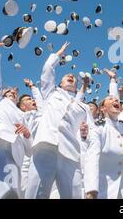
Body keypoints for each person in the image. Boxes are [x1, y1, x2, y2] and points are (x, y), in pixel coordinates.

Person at [25, 42, 90, 199]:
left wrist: (83, 88)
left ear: (76, 87)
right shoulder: (50, 94)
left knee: (74, 195)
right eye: (67, 77)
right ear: (59, 83)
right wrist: (58, 53)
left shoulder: (80, 105)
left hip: (71, 153)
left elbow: (77, 107)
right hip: (46, 147)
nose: (71, 77)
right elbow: (48, 68)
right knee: (36, 194)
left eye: (73, 78)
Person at [0, 30, 32, 199]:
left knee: (11, 194)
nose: (12, 92)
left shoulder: (21, 114)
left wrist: (26, 133)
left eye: (14, 92)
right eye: (8, 91)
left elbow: (30, 149)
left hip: (15, 155)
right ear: (2, 93)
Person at [84, 95, 123, 199]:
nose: (116, 100)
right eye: (110, 99)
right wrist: (91, 190)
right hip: (104, 191)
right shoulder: (98, 128)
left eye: (117, 99)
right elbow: (92, 159)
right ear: (103, 108)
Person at [17, 78, 44, 197]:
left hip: (41, 156)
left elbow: (40, 101)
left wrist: (33, 87)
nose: (33, 100)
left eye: (32, 98)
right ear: (22, 107)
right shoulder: (19, 117)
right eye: (29, 99)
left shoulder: (41, 114)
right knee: (23, 189)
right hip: (25, 160)